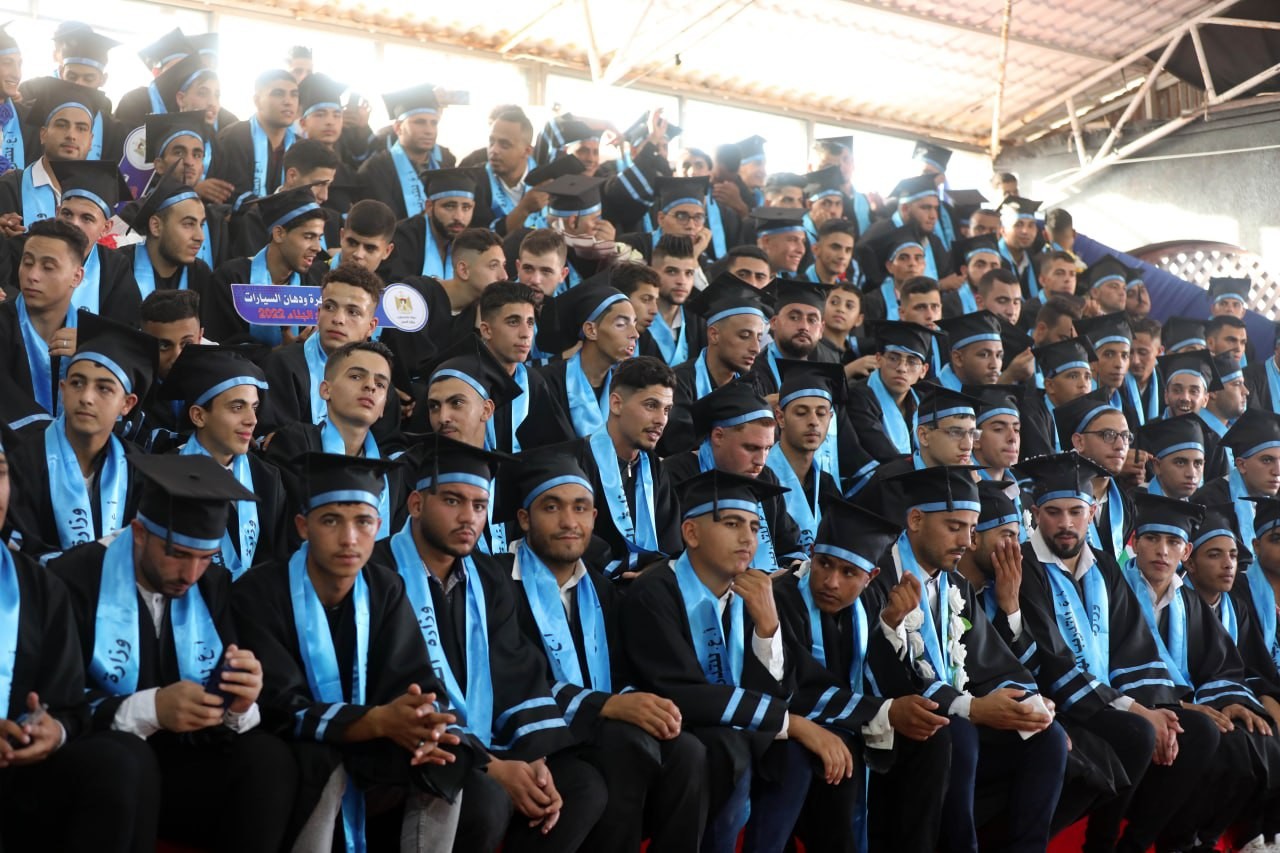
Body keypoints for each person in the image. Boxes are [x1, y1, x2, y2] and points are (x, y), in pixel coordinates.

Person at [51, 454, 297, 852]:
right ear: (139, 533)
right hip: (100, 768)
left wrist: (237, 704)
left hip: (181, 767)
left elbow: (224, 709)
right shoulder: (72, 580)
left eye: (205, 557)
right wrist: (151, 708)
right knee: (128, 760)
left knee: (268, 758)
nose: (190, 575)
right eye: (178, 554)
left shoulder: (213, 584)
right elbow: (56, 703)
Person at [373, 438, 609, 851]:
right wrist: (490, 765)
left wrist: (533, 758)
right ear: (416, 504)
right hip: (406, 748)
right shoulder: (377, 573)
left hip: (482, 743)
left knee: (581, 787)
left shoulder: (487, 576)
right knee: (486, 800)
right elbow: (392, 689)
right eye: (452, 501)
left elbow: (513, 667)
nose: (469, 517)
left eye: (480, 505)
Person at [232, 453, 475, 852]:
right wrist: (376, 721)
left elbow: (414, 680)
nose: (349, 539)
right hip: (297, 744)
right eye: (331, 521)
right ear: (303, 526)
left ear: (378, 527)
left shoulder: (386, 588)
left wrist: (423, 722)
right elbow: (277, 706)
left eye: (363, 522)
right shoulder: (257, 593)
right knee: (321, 763)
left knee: (446, 753)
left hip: (369, 737)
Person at [498, 452, 710, 851]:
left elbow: (621, 673)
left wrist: (641, 705)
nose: (569, 521)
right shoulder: (496, 582)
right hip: (530, 733)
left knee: (688, 752)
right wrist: (607, 705)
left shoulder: (601, 589)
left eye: (580, 508)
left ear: (595, 517)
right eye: (552, 507)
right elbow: (507, 679)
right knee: (625, 742)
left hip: (591, 726)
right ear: (524, 519)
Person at [1013, 452, 1224, 850]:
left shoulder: (1104, 566)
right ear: (1036, 514)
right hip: (1061, 702)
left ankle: (1136, 845)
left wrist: (1156, 709)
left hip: (1107, 697)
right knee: (1137, 731)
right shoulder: (1026, 567)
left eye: (1076, 512)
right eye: (1054, 512)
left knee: (1198, 732)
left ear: (1092, 513)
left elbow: (1132, 646)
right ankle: (1101, 843)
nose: (1066, 523)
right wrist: (1140, 711)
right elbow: (1050, 659)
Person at [863, 465, 1068, 852]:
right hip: (894, 725)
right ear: (916, 520)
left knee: (1047, 736)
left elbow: (991, 660)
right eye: (954, 527)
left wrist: (1027, 701)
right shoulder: (877, 576)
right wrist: (971, 708)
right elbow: (881, 671)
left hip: (954, 716)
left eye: (972, 529)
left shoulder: (953, 583)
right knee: (957, 733)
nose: (967, 542)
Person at [621, 468, 815, 853]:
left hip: (730, 726)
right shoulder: (653, 593)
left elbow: (781, 690)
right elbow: (678, 692)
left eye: (754, 526)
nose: (748, 538)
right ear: (691, 533)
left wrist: (768, 627)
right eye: (732, 524)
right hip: (671, 731)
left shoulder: (752, 593)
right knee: (731, 747)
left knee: (794, 756)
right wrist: (789, 723)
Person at [0, 429, 160, 853]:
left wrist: (53, 729)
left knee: (122, 759)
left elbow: (66, 703)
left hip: (16, 770)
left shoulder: (37, 585)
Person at [772, 498, 950, 853]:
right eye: (824, 564)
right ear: (812, 554)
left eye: (849, 573)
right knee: (843, 756)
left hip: (853, 722)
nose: (831, 582)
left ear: (871, 577)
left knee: (935, 741)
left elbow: (884, 683)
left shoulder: (871, 602)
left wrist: (890, 625)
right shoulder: (782, 599)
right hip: (795, 730)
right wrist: (884, 712)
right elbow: (794, 685)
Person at [1120, 493, 1276, 850]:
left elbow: (1220, 665)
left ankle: (1209, 838)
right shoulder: (1114, 591)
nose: (1162, 551)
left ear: (1185, 552)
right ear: (1135, 543)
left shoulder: (1187, 601)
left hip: (1183, 702)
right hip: (1135, 703)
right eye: (1152, 538)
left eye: (1173, 542)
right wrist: (1182, 706)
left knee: (1251, 738)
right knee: (1211, 737)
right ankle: (1168, 840)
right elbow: (1113, 663)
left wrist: (1230, 702)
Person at [5, 312, 154, 561]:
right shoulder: (22, 463)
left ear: (127, 404)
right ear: (63, 391)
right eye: (77, 383)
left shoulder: (140, 470)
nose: (86, 397)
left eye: (103, 388)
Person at [545, 356, 683, 576]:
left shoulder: (655, 469)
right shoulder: (573, 464)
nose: (661, 420)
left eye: (666, 410)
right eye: (651, 405)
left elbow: (670, 542)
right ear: (616, 403)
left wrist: (655, 573)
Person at [162, 344, 289, 573]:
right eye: (237, 407)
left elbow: (275, 561)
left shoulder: (268, 479)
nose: (252, 420)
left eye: (254, 407)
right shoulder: (164, 475)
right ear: (199, 416)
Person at [266, 341, 404, 543]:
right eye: (356, 376)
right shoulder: (295, 445)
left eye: (380, 384)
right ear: (325, 390)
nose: (370, 386)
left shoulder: (391, 475)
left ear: (383, 407)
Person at [258, 264, 382, 432]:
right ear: (318, 313)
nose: (338, 319)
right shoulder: (283, 367)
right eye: (329, 307)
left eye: (353, 312)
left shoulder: (378, 377)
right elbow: (275, 439)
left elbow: (387, 442)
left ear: (371, 326)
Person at [206, 186, 326, 345]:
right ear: (279, 234)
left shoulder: (314, 285)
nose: (318, 248)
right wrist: (281, 353)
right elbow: (219, 347)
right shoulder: (231, 280)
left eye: (319, 238)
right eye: (309, 236)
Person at [0, 219, 89, 421]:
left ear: (77, 277)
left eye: (48, 267)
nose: (32, 275)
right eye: (27, 263)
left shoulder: (93, 338)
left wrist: (89, 351)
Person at [475, 281, 574, 453]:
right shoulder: (462, 379)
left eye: (530, 322)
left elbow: (557, 451)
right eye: (513, 322)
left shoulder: (533, 383)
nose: (526, 333)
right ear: (486, 330)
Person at [535, 278, 639, 437]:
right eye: (621, 324)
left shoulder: (625, 387)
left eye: (634, 324)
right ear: (591, 330)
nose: (635, 334)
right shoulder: (546, 384)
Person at [764, 360, 849, 550]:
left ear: (830, 418)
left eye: (821, 413)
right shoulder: (761, 480)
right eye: (801, 413)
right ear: (780, 417)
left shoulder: (827, 486)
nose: (813, 422)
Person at [0, 78, 108, 226]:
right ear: (43, 134)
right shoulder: (9, 187)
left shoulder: (98, 197)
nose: (71, 135)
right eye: (61, 125)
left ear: (91, 141)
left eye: (81, 128)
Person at [49, 159, 141, 324]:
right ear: (57, 213)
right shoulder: (27, 250)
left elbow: (124, 328)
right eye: (67, 214)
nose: (73, 224)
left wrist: (85, 336)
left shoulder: (115, 269)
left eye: (87, 218)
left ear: (105, 228)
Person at [1193, 408, 1280, 570]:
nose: (1277, 471)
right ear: (1241, 465)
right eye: (1267, 460)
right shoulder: (1210, 501)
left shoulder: (1274, 502)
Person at [356, 84, 456, 221]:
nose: (429, 130)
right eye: (419, 122)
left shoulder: (446, 163)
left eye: (434, 123)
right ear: (398, 127)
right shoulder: (376, 169)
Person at [135, 288, 205, 451]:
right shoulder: (132, 391)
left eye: (186, 344)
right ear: (143, 342)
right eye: (164, 345)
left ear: (200, 337)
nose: (177, 356)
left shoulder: (220, 386)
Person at [387, 167, 476, 281]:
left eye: (466, 207)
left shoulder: (471, 244)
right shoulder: (404, 238)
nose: (458, 217)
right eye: (449, 206)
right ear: (429, 207)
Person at [1018, 336, 1096, 458]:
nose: (1083, 384)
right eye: (1073, 376)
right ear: (1050, 386)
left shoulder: (1090, 416)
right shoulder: (1031, 414)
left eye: (1088, 377)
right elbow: (1046, 465)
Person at [750, 278, 827, 396]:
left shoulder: (824, 376)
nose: (804, 326)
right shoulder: (752, 372)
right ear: (774, 322)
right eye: (794, 317)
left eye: (812, 320)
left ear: (821, 330)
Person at [639, 234, 706, 365]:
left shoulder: (699, 321)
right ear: (651, 273)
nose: (682, 281)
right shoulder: (635, 319)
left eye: (689, 273)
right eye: (671, 271)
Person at [1133, 414, 1208, 499]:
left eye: (1198, 464)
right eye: (1180, 463)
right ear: (1157, 466)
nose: (1191, 474)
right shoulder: (1134, 502)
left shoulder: (1201, 503)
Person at [936, 310, 1004, 390]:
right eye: (984, 355)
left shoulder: (1001, 393)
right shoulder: (934, 395)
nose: (994, 365)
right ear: (958, 358)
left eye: (999, 355)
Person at [996, 195, 1043, 300]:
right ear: (1002, 230)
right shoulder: (994, 262)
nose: (1025, 231)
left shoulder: (1036, 262)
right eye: (1018, 224)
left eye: (1031, 225)